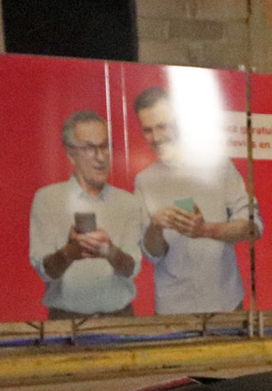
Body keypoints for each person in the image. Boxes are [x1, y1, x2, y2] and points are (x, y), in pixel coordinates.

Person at [131, 84, 259, 315]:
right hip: (173, 308)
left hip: (225, 302)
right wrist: (155, 226)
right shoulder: (144, 180)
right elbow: (152, 254)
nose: (156, 137)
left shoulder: (218, 165)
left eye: (162, 126)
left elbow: (253, 228)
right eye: (148, 130)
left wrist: (206, 230)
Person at [28, 110, 142, 318]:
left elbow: (131, 269)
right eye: (89, 148)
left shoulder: (128, 202)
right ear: (70, 154)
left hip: (120, 319)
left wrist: (110, 251)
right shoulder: (48, 199)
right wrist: (70, 252)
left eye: (105, 146)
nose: (100, 157)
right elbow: (45, 271)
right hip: (66, 322)